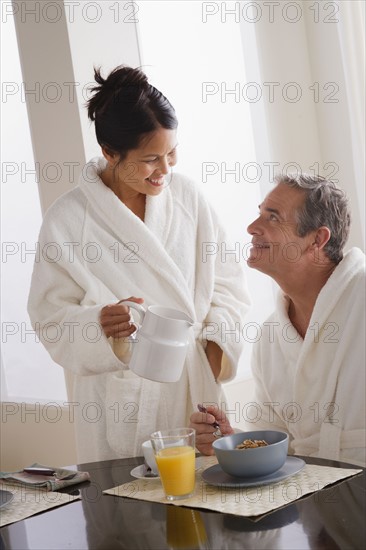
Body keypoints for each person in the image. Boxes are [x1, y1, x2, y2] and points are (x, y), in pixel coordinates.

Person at [27, 65, 250, 463]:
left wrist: (215, 350)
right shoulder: (68, 221)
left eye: (171, 153)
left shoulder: (189, 199)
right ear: (110, 153)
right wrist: (101, 326)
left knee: (209, 516)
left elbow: (229, 285)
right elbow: (50, 319)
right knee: (131, 520)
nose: (165, 170)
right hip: (123, 406)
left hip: (195, 395)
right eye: (150, 159)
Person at [190, 174, 365, 466]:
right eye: (259, 213)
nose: (251, 227)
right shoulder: (271, 337)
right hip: (316, 501)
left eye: (272, 218)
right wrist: (230, 440)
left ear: (317, 240)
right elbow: (275, 443)